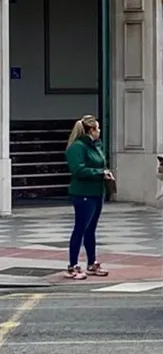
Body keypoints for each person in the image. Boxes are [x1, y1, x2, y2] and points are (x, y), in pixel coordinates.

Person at [64, 114, 112, 280]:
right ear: (91, 130)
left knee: (91, 229)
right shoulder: (77, 147)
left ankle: (91, 262)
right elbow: (78, 169)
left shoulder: (95, 146)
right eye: (97, 128)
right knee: (80, 228)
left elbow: (100, 162)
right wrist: (100, 173)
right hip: (83, 193)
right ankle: (72, 265)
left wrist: (104, 172)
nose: (99, 131)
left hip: (97, 192)